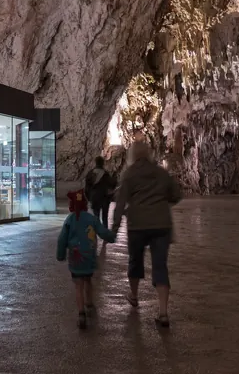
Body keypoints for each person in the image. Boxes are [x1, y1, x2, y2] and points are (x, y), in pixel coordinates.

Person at [112, 141, 182, 328]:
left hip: (138, 225)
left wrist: (115, 227)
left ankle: (134, 296)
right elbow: (176, 195)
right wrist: (160, 204)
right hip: (162, 225)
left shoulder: (129, 174)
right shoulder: (161, 172)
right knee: (160, 266)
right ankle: (163, 312)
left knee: (135, 261)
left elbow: (120, 203)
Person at [57, 190, 116, 329]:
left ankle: (81, 313)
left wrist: (60, 255)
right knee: (88, 280)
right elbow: (102, 232)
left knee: (78, 285)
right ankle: (89, 303)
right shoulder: (91, 218)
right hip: (89, 257)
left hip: (75, 257)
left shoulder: (70, 219)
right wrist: (112, 236)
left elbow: (62, 239)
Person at [85, 156, 115, 230]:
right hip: (104, 198)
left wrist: (89, 198)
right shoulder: (106, 174)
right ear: (103, 163)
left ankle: (96, 233)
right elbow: (112, 185)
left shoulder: (91, 173)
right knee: (105, 217)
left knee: (96, 216)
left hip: (94, 198)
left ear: (95, 162)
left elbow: (87, 188)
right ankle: (105, 234)